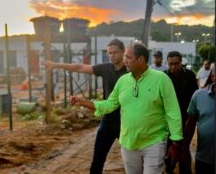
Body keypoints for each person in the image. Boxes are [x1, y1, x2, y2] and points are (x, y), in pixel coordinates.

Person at [70, 43, 183, 174]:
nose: (125, 61)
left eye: (128, 57)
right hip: (128, 144)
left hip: (154, 142)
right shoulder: (123, 81)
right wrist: (83, 102)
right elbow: (109, 104)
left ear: (141, 59)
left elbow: (172, 111)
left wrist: (176, 140)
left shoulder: (161, 79)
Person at [45, 38, 127, 174]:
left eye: (115, 52)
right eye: (109, 53)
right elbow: (80, 67)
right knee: (97, 160)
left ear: (123, 52)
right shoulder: (105, 68)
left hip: (126, 122)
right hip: (107, 121)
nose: (112, 55)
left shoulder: (130, 71)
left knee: (132, 160)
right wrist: (56, 64)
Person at [164, 51, 198, 174]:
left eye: (176, 64)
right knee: (168, 149)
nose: (173, 66)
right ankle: (169, 169)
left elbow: (194, 98)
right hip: (167, 120)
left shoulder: (189, 76)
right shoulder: (163, 77)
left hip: (185, 118)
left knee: (184, 148)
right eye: (170, 64)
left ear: (181, 63)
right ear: (167, 62)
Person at [181, 63, 215, 174]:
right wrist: (185, 149)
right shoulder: (199, 95)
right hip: (204, 160)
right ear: (213, 77)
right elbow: (190, 124)